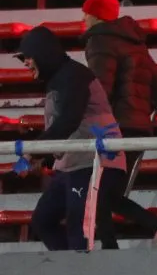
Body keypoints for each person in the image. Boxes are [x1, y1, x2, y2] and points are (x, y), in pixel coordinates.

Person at [82, 0, 157, 248]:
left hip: (113, 129)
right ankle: (114, 245)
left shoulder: (100, 41)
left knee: (100, 193)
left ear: (93, 15)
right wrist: (140, 110)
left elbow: (99, 90)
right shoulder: (135, 42)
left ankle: (154, 228)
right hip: (137, 128)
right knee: (106, 194)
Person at [16, 26, 128, 251]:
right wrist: (44, 157)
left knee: (80, 223)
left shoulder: (74, 75)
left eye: (28, 57)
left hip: (90, 162)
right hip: (71, 164)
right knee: (43, 220)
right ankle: (71, 269)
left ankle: (82, 274)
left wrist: (35, 151)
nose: (26, 63)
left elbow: (68, 120)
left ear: (43, 53)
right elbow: (62, 126)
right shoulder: (59, 79)